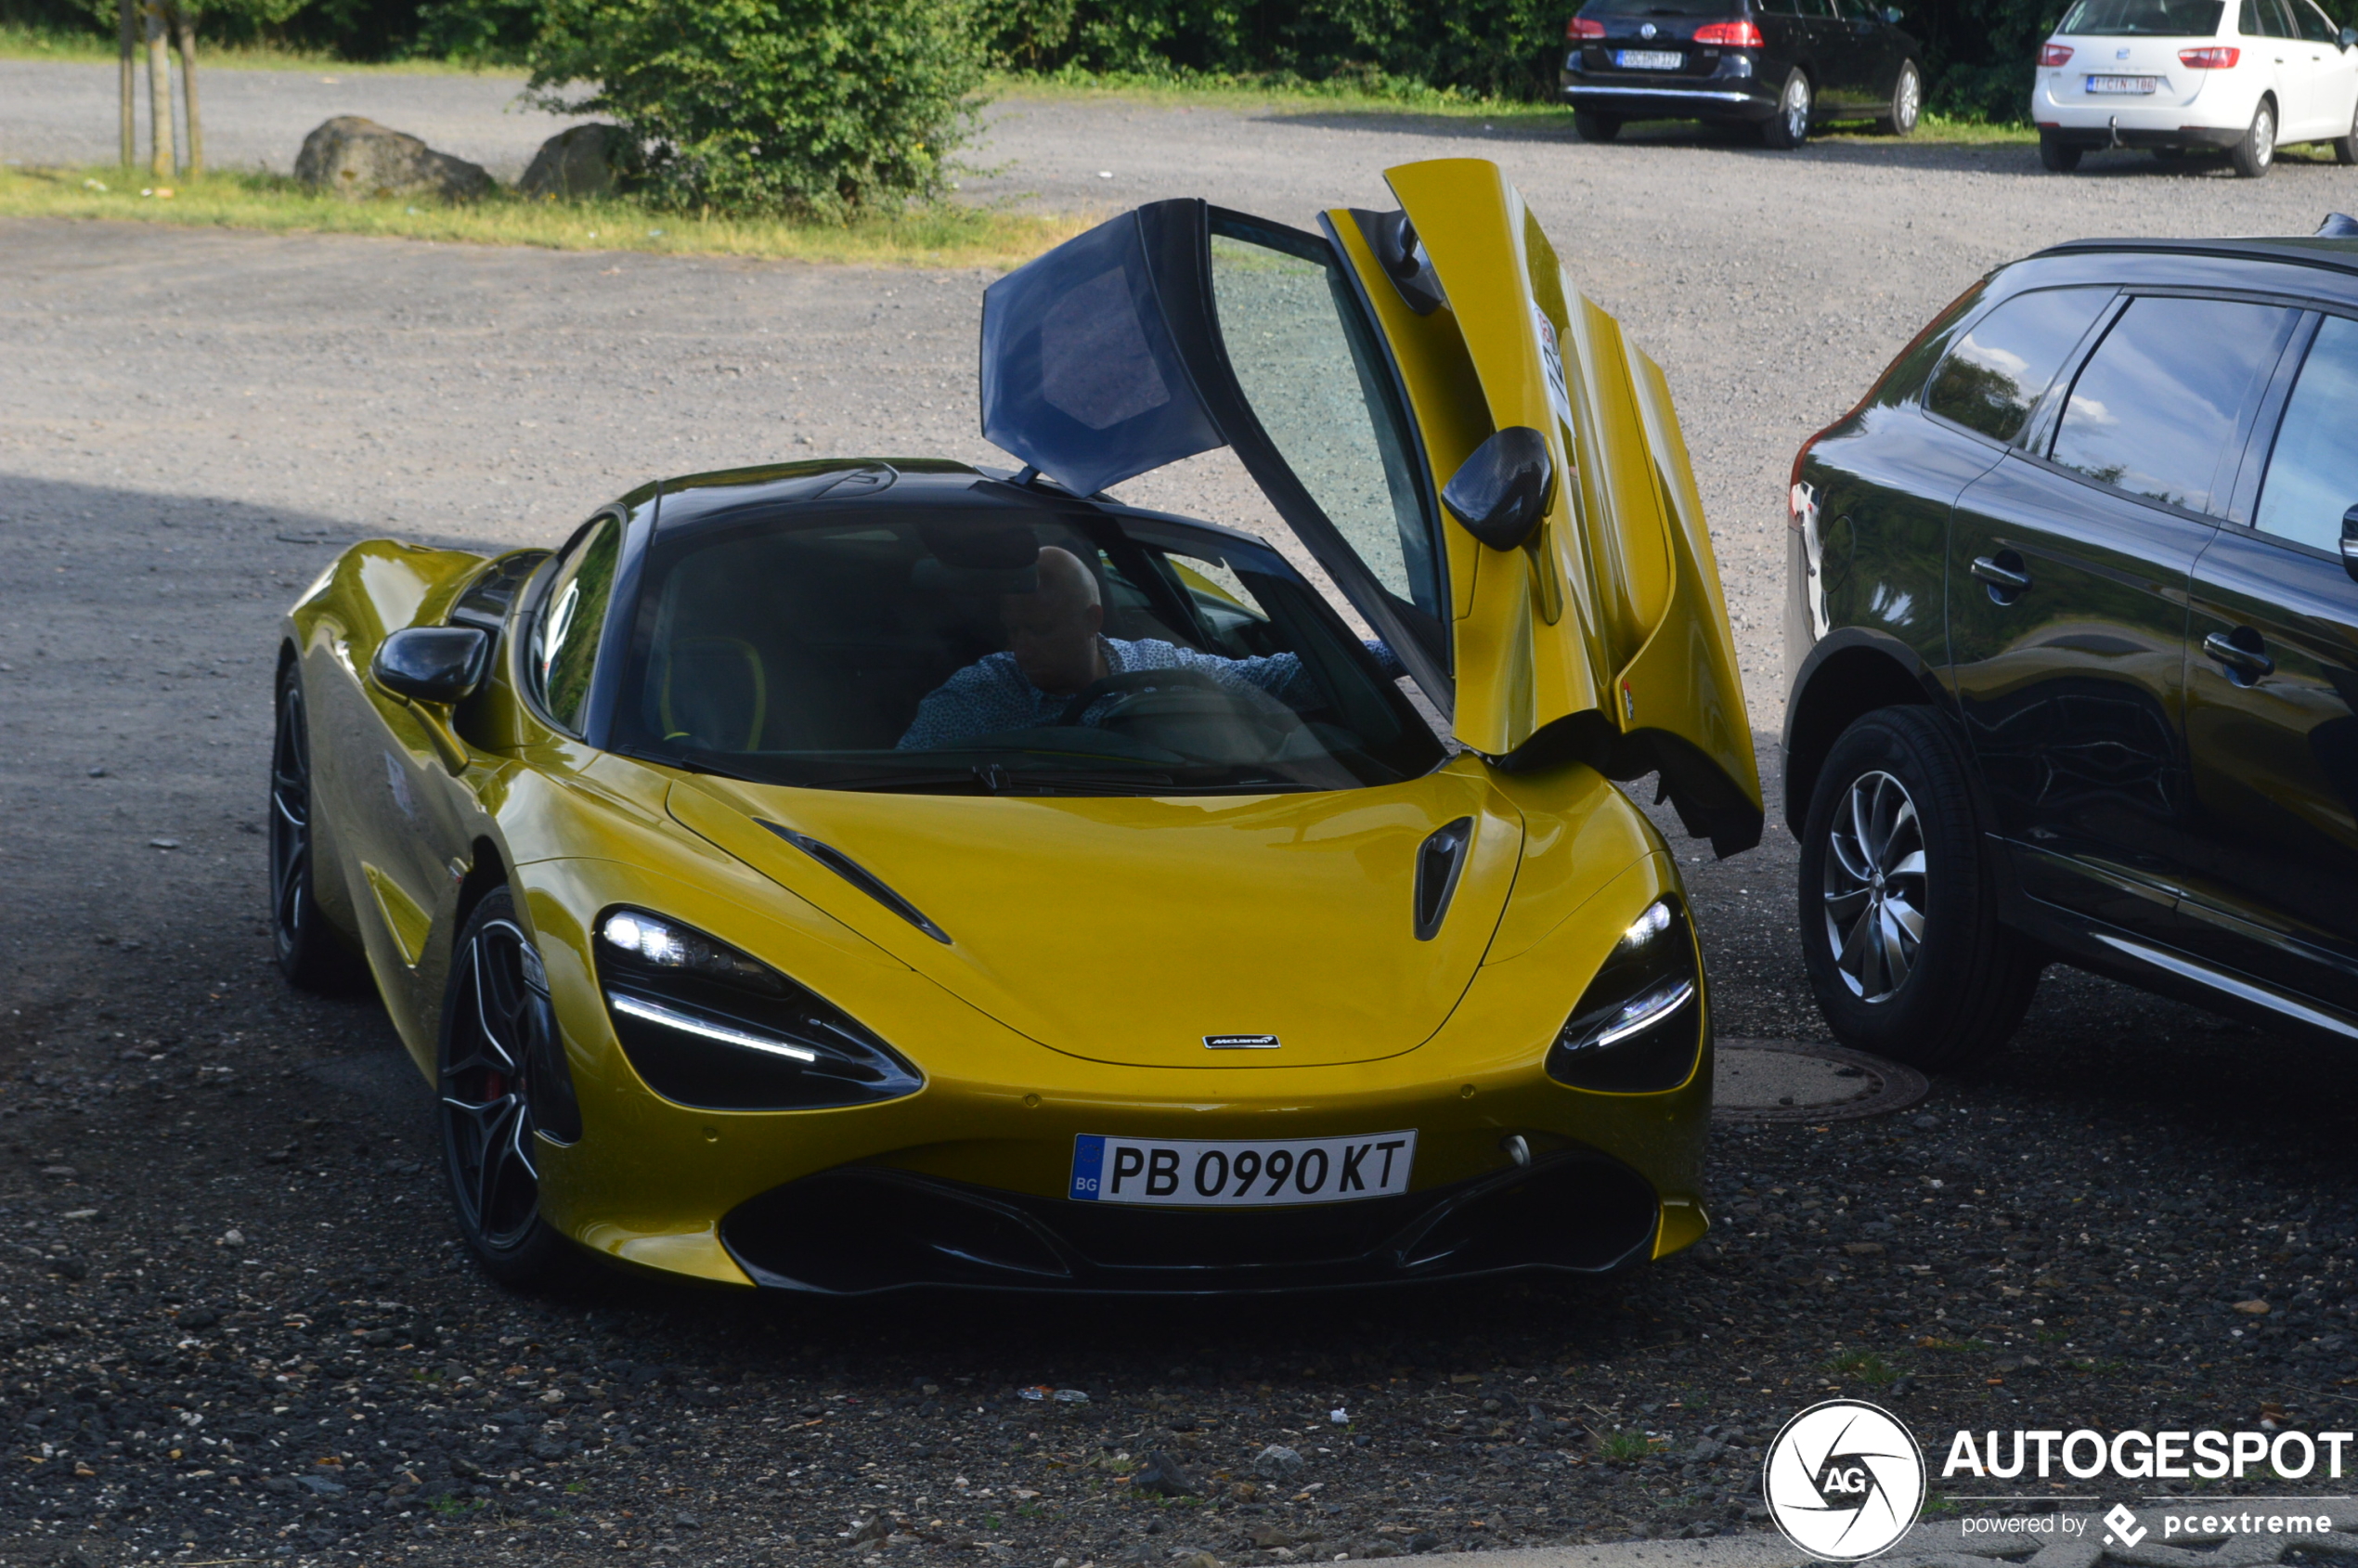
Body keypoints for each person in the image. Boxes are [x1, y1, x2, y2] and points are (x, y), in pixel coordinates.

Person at [897, 546, 1391, 750]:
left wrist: (1400, 653)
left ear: (1092, 620)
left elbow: (1272, 681)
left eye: (1041, 630)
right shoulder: (979, 695)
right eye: (1013, 631)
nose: (1022, 649)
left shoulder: (1155, 662)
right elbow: (904, 783)